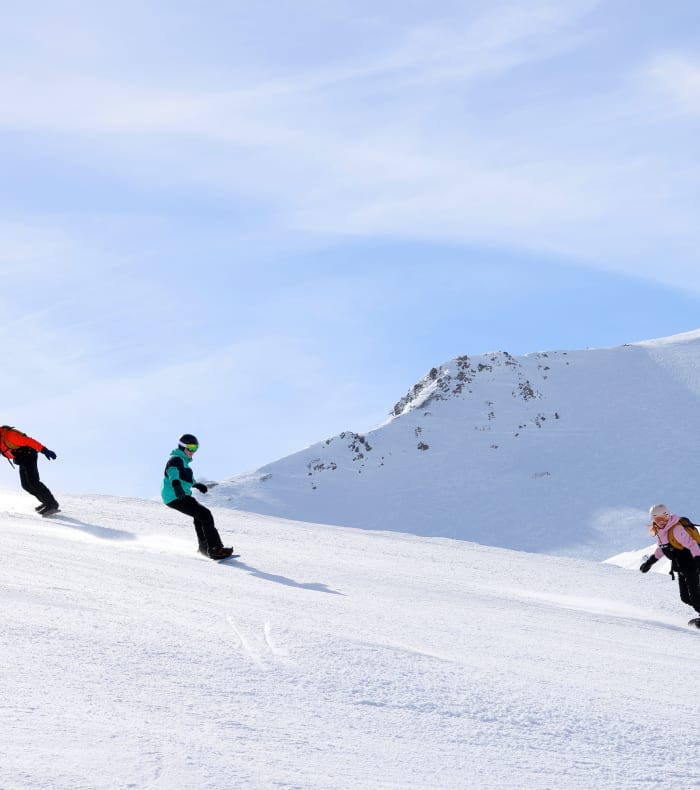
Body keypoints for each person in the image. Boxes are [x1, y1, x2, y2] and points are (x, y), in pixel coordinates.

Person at [162, 433, 233, 560]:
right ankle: (215, 548)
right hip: (175, 495)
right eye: (190, 448)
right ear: (182, 446)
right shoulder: (176, 459)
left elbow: (185, 477)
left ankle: (204, 549)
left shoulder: (184, 462)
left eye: (195, 448)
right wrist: (176, 485)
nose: (192, 451)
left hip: (181, 495)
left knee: (199, 516)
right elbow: (172, 472)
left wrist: (196, 484)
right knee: (205, 514)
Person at [639, 504, 700, 627]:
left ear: (668, 516)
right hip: (681, 567)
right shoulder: (660, 532)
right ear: (653, 520)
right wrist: (650, 562)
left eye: (664, 518)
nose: (661, 521)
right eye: (657, 519)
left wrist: (698, 561)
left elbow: (692, 545)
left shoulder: (676, 529)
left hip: (692, 565)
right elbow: (662, 549)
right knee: (685, 598)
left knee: (694, 597)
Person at [0, 425, 59, 515]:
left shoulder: (9, 436)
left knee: (33, 481)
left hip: (29, 455)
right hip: (22, 459)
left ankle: (52, 504)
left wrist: (44, 450)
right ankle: (45, 502)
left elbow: (29, 441)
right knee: (25, 485)